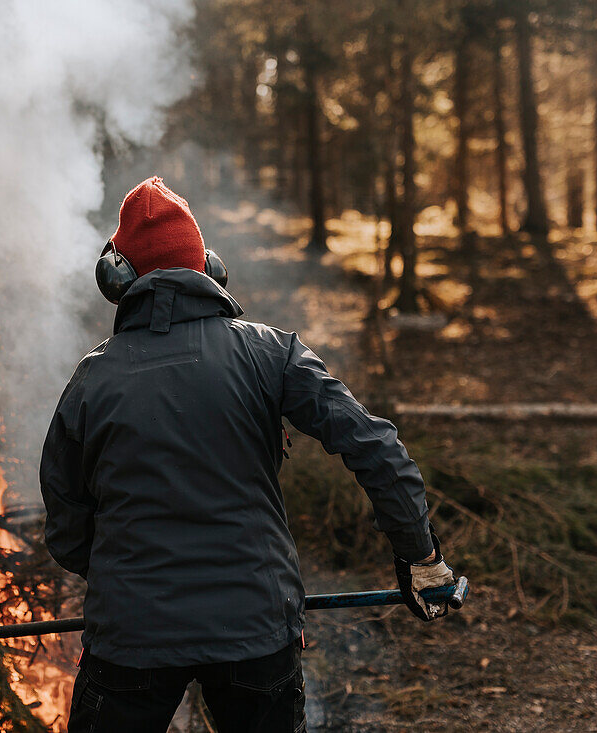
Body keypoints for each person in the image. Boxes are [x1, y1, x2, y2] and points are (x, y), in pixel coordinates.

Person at [40, 176, 455, 733]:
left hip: (131, 637)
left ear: (119, 278)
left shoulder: (91, 380)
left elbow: (65, 523)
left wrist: (125, 573)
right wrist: (420, 557)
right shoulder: (272, 352)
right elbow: (375, 447)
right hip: (255, 628)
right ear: (207, 269)